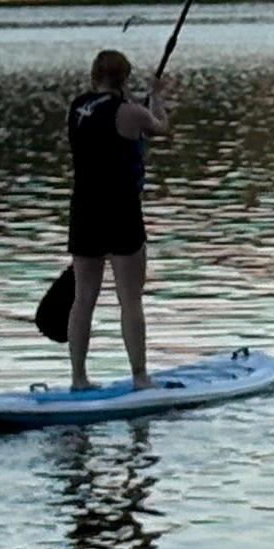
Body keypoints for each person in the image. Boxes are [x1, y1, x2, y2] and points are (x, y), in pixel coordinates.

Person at [65, 44, 178, 389]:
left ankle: (79, 378)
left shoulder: (77, 108)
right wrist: (156, 96)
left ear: (95, 76)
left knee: (84, 297)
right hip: (120, 210)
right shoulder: (130, 112)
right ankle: (140, 376)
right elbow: (160, 128)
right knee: (130, 297)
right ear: (124, 78)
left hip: (83, 209)